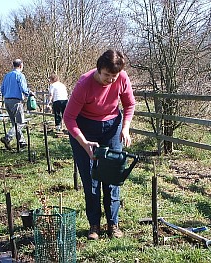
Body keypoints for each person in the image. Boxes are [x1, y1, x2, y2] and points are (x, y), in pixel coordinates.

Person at [63, 50, 136, 240]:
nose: (110, 80)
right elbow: (69, 118)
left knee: (112, 176)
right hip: (85, 129)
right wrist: (84, 142)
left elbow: (129, 105)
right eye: (106, 75)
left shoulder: (122, 79)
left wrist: (125, 128)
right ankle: (94, 225)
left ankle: (113, 223)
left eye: (114, 76)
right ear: (99, 69)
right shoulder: (84, 83)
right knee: (91, 178)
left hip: (112, 127)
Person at [0, 58, 32, 150]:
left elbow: (2, 89)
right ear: (21, 65)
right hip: (16, 101)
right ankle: (8, 137)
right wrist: (29, 93)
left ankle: (22, 142)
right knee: (21, 122)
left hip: (7, 100)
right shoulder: (20, 75)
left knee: (15, 123)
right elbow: (24, 88)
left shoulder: (7, 76)